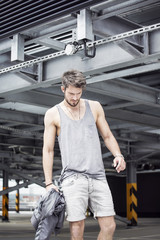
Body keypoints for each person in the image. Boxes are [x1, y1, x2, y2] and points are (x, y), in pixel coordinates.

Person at [43, 69, 126, 240]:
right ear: (63, 89)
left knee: (109, 226)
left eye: (78, 94)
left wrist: (118, 155)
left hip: (98, 176)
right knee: (77, 228)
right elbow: (48, 150)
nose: (74, 98)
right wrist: (49, 182)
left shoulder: (94, 107)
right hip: (73, 178)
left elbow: (108, 136)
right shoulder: (53, 114)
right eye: (71, 93)